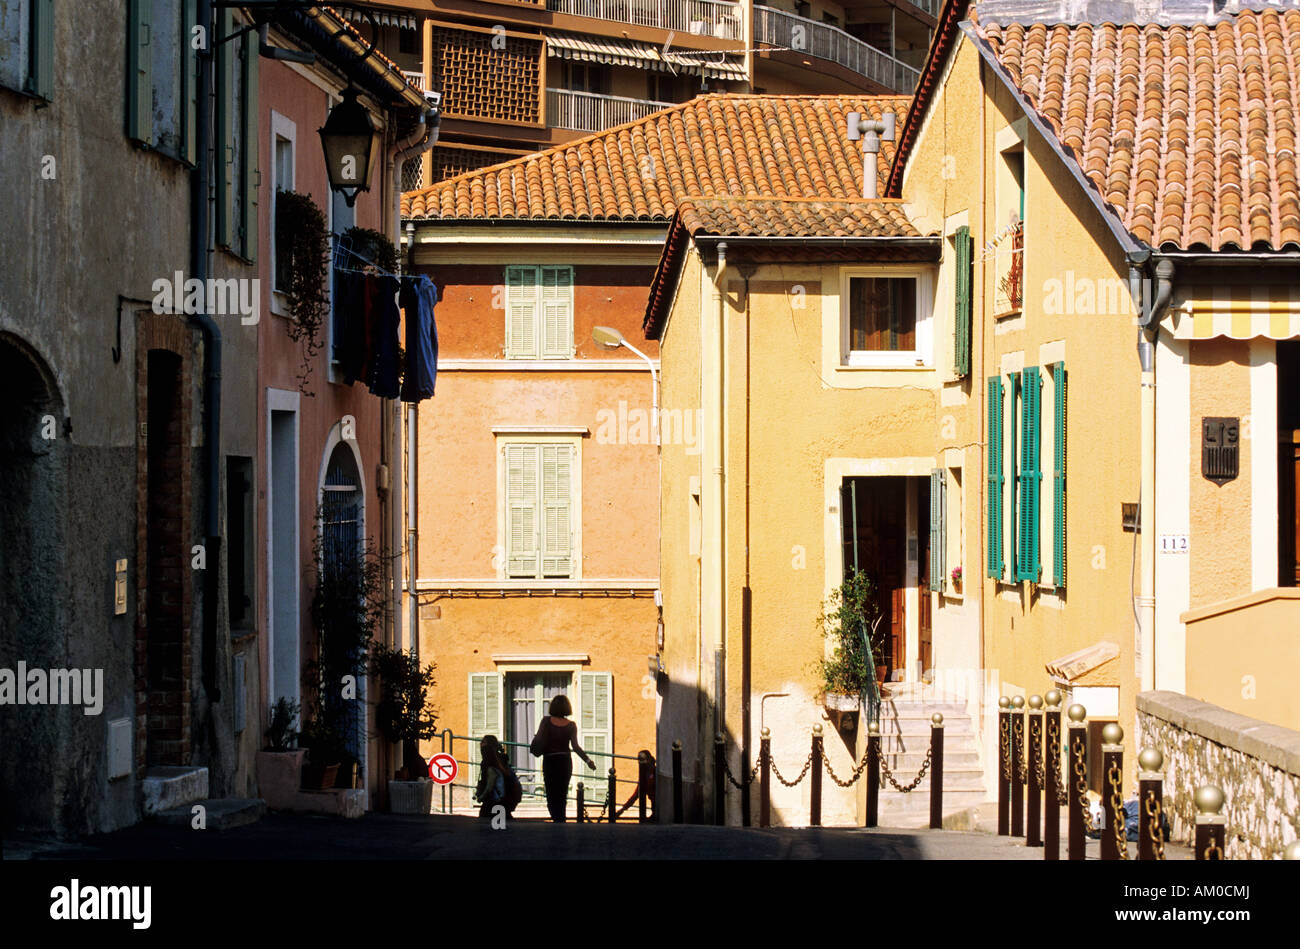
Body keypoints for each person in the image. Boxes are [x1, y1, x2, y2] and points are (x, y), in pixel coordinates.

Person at [531, 695, 597, 822]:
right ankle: (561, 818)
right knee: (562, 792)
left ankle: (555, 817)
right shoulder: (571, 725)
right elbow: (576, 747)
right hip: (565, 762)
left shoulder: (546, 721)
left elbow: (539, 738)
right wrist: (588, 761)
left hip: (550, 761)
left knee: (551, 791)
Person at [474, 735, 520, 821]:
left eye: (483, 742)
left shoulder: (489, 761)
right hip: (503, 800)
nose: (480, 744)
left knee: (487, 824)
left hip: (492, 801)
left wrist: (482, 796)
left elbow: (491, 782)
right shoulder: (502, 759)